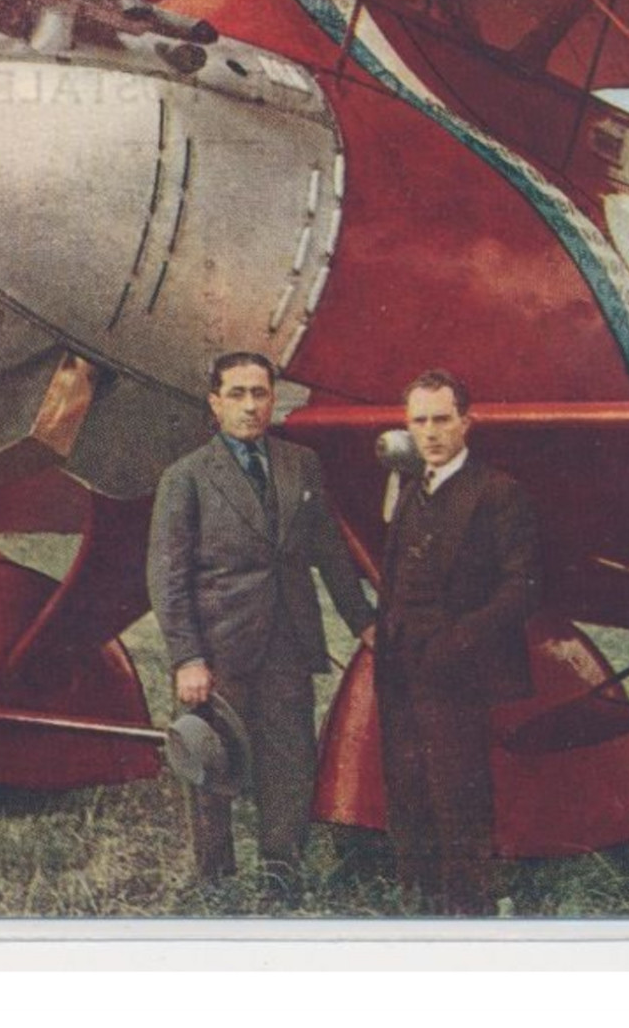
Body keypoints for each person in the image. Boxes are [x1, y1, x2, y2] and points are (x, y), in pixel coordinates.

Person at [148, 351, 376, 887]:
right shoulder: (186, 477)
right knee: (212, 763)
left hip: (289, 643)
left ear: (273, 399)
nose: (250, 407)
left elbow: (331, 552)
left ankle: (281, 874)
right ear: (215, 403)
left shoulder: (302, 464)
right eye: (237, 394)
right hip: (218, 650)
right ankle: (215, 881)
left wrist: (362, 621)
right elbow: (167, 576)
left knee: (290, 764)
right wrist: (187, 658)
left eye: (259, 394)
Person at [375, 369, 541, 915]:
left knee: (458, 789)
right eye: (419, 421)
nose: (430, 432)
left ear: (466, 423)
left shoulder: (499, 493)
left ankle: (467, 908)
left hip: (458, 668)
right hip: (401, 663)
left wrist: (458, 641)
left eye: (442, 419)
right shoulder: (408, 489)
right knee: (408, 781)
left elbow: (522, 587)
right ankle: (416, 898)